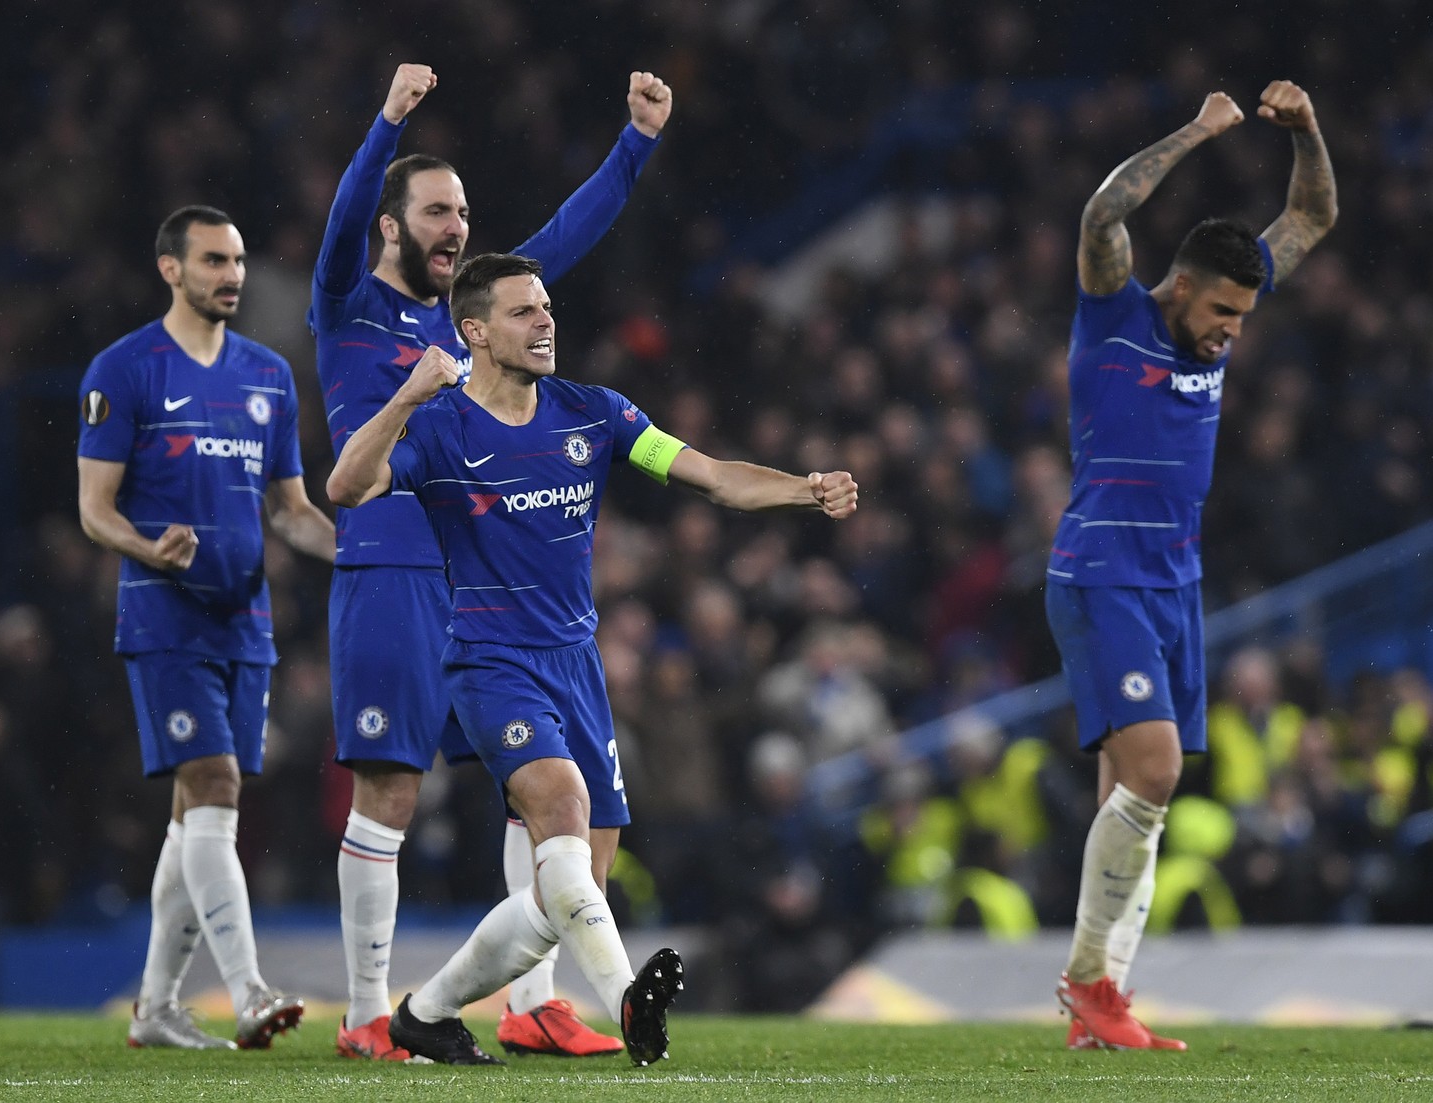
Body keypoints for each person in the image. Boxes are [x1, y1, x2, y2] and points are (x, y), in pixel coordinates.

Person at [326, 252, 858, 1065]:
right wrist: (404, 395)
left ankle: (426, 1011)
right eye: (521, 312)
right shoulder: (438, 430)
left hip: (578, 666)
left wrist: (804, 486)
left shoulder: (595, 415)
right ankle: (626, 1001)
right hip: (492, 662)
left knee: (567, 891)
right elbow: (347, 485)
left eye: (546, 307)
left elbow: (709, 475)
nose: (545, 322)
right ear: (473, 332)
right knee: (563, 808)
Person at [310, 63, 672, 1061]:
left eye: (463, 210)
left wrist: (635, 142)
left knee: (541, 789)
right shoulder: (347, 304)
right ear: (392, 225)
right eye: (435, 210)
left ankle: (534, 1002)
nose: (456, 226)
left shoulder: (474, 316)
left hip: (489, 584)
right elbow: (343, 216)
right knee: (390, 788)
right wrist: (385, 122)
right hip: (389, 570)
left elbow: (569, 233)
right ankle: (368, 1012)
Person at [1044, 81, 1336, 1050]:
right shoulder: (1111, 314)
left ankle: (1102, 1005)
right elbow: (1104, 211)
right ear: (1178, 286)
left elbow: (1313, 214)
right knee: (1158, 772)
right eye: (1220, 311)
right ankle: (1089, 981)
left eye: (1244, 317)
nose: (1231, 331)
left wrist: (1308, 132)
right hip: (1101, 572)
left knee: (1132, 794)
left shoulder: (1227, 314)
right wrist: (1202, 132)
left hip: (1176, 583)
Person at [77, 205, 338, 1050]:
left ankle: (154, 1008)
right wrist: (148, 547)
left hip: (246, 619)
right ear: (171, 269)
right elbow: (94, 510)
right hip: (164, 616)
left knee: (198, 814)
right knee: (217, 783)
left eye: (238, 262)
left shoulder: (266, 375)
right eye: (215, 261)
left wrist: (367, 554)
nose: (232, 275)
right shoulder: (125, 370)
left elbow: (293, 512)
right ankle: (249, 988)